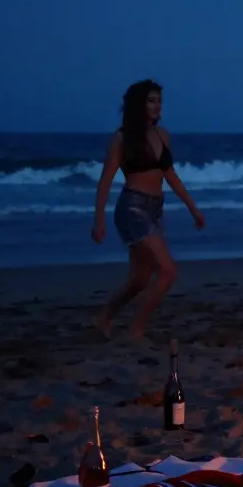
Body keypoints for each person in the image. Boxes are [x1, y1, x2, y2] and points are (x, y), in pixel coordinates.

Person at [91, 79, 205, 342]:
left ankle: (103, 316)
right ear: (138, 104)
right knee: (168, 271)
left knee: (141, 278)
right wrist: (99, 219)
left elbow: (170, 174)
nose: (156, 106)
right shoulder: (122, 138)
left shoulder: (162, 135)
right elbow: (106, 179)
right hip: (132, 208)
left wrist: (193, 208)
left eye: (159, 101)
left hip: (155, 210)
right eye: (150, 100)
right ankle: (136, 330)